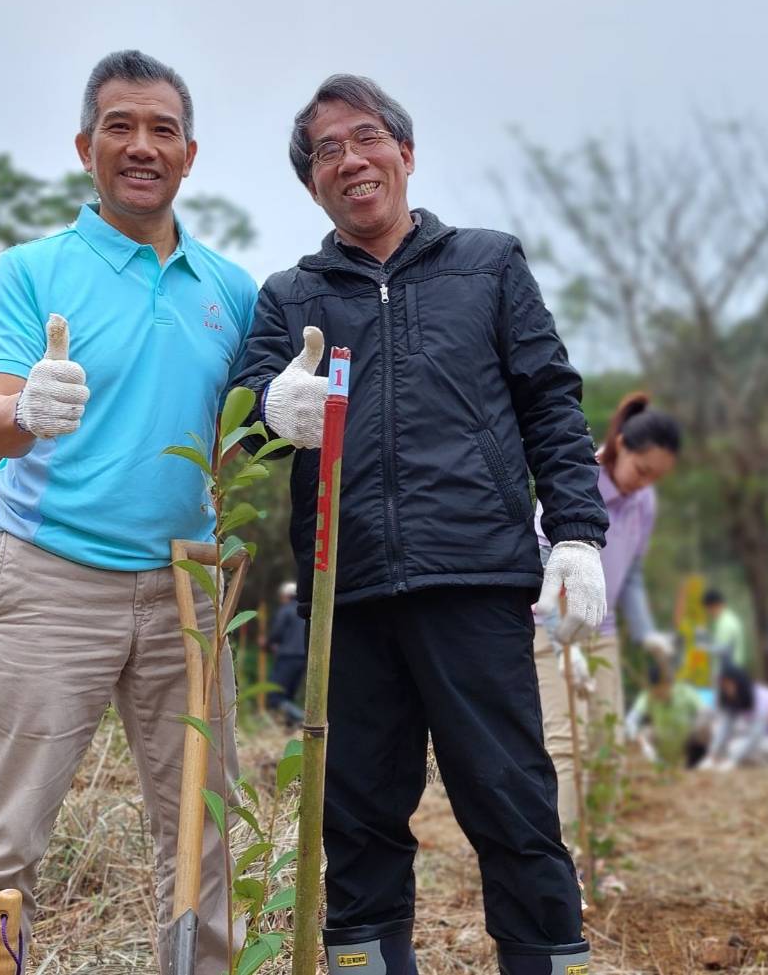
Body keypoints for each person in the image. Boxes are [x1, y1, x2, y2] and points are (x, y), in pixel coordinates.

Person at [234, 74, 606, 975]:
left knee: (512, 802)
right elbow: (243, 424)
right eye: (326, 151)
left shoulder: (487, 264)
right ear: (311, 184)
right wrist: (268, 408)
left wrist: (577, 534)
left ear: (404, 152)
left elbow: (549, 402)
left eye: (366, 138)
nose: (350, 159)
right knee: (355, 815)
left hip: (474, 576)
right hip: (344, 591)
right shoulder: (291, 296)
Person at [0, 51, 258, 975]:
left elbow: (235, 443)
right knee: (7, 836)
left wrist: (280, 420)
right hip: (53, 577)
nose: (141, 145)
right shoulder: (33, 271)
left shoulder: (229, 291)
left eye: (162, 128)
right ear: (85, 147)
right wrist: (24, 410)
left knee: (203, 832)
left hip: (188, 589)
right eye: (120, 125)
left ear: (190, 154)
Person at [532, 391, 679, 889]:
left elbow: (632, 575)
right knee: (564, 745)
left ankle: (600, 858)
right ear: (619, 446)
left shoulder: (645, 502)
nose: (645, 483)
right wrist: (559, 640)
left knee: (608, 746)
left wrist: (650, 635)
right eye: (642, 469)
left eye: (656, 476)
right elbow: (542, 554)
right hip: (553, 625)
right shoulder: (577, 481)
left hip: (606, 632)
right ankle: (564, 866)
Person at [696, 664, 768, 770]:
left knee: (735, 747)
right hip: (761, 736)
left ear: (739, 683)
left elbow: (756, 734)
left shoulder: (762, 698)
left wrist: (733, 761)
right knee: (717, 729)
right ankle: (734, 757)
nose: (726, 690)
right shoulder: (734, 699)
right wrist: (711, 756)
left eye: (728, 685)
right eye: (723, 686)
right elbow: (726, 727)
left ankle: (759, 761)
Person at [266, 581, 306, 724]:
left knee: (275, 696)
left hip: (287, 657)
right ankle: (290, 726)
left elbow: (276, 632)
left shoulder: (286, 610)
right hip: (303, 658)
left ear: (285, 596)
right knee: (289, 695)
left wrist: (266, 644)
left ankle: (302, 719)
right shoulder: (304, 610)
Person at [703, 587, 747, 675]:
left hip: (729, 673)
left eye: (708, 608)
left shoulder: (725, 623)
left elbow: (722, 649)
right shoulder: (728, 618)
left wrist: (704, 644)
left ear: (716, 605)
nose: (708, 612)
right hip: (732, 671)